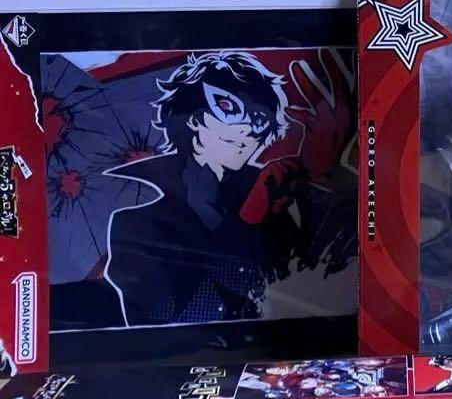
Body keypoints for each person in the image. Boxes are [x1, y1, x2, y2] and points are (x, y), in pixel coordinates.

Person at [105, 49, 353, 326]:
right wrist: (247, 222)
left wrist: (324, 179)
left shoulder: (274, 202)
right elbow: (172, 320)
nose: (248, 129)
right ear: (193, 118)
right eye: (229, 108)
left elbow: (320, 288)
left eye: (259, 119)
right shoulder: (137, 222)